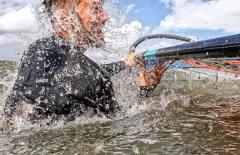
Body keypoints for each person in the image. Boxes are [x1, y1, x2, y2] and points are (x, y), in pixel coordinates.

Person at [3, 0, 174, 124]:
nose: (105, 17)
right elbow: (125, 123)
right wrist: (146, 90)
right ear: (63, 15)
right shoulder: (91, 77)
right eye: (96, 8)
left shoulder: (36, 50)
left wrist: (124, 64)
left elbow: (75, 76)